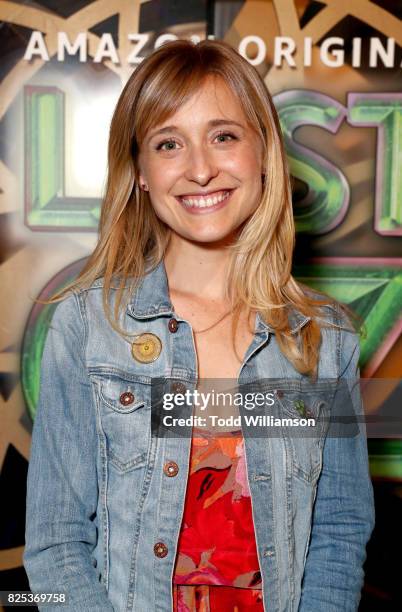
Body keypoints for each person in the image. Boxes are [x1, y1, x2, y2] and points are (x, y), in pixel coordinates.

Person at [23, 39, 375, 611]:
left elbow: (339, 532)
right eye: (169, 143)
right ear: (139, 170)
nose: (201, 168)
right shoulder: (88, 328)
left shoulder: (324, 339)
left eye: (224, 135)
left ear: (263, 151)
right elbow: (55, 546)